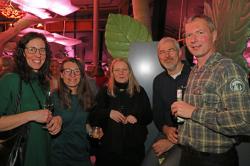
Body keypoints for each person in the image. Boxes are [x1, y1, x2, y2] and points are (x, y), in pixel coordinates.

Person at [171, 15, 250, 166]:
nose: (193, 39)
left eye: (200, 32)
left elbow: (244, 122)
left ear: (213, 35)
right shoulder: (195, 70)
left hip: (213, 160)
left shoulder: (228, 69)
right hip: (188, 155)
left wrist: (193, 112)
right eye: (188, 35)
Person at [0, 32, 62, 166]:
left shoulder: (43, 82)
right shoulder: (10, 80)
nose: (38, 55)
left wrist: (56, 120)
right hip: (22, 157)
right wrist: (31, 115)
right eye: (32, 49)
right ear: (23, 53)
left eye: (42, 50)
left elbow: (45, 113)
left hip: (44, 154)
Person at [89, 58, 152, 166]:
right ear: (112, 73)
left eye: (124, 69)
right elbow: (93, 115)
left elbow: (149, 116)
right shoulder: (105, 91)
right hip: (108, 151)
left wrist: (136, 117)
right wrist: (108, 113)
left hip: (133, 152)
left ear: (130, 72)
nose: (121, 73)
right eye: (117, 70)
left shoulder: (139, 91)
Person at [142, 37, 191, 166]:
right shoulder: (158, 81)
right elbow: (157, 113)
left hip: (191, 138)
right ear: (159, 57)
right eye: (162, 52)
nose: (167, 56)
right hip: (166, 133)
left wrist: (173, 141)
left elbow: (200, 115)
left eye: (171, 50)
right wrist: (166, 129)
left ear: (179, 53)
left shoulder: (194, 75)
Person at [50, 58, 95, 166]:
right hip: (61, 156)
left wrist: (91, 131)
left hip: (82, 154)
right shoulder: (54, 97)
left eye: (76, 71)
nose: (72, 74)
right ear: (61, 75)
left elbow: (84, 123)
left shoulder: (87, 97)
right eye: (68, 71)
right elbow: (49, 122)